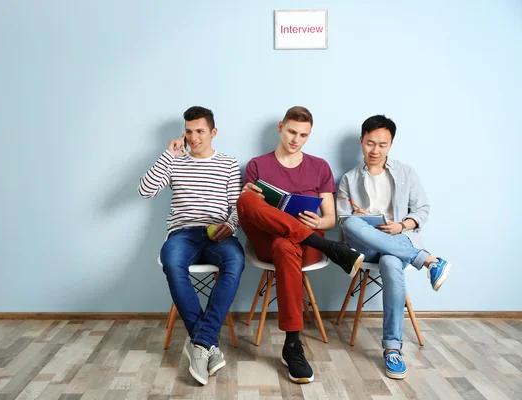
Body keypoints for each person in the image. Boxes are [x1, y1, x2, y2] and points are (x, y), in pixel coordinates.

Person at [237, 106, 365, 384]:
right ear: (281, 126)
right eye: (292, 132)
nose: (296, 139)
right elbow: (250, 212)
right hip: (265, 240)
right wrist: (252, 195)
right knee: (245, 200)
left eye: (303, 135)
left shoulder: (319, 167)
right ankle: (335, 250)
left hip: (300, 245)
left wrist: (319, 224)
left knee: (285, 246)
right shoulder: (258, 164)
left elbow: (330, 218)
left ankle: (292, 345)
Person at [337, 114, 452, 380]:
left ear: (391, 145)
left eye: (382, 144)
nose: (375, 150)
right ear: (361, 141)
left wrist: (401, 226)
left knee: (390, 261)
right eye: (370, 143)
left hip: (397, 241)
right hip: (364, 243)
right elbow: (343, 221)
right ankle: (427, 260)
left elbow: (422, 209)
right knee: (353, 223)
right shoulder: (348, 179)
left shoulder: (406, 173)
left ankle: (392, 350)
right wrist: (364, 220)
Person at [138, 106, 245, 385]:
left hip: (218, 233)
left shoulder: (228, 163)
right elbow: (145, 191)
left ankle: (199, 342)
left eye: (200, 131)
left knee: (235, 261)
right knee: (172, 263)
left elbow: (237, 206)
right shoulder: (175, 161)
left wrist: (231, 226)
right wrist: (168, 155)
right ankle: (206, 343)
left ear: (213, 132)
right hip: (182, 233)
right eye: (189, 131)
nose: (194, 137)